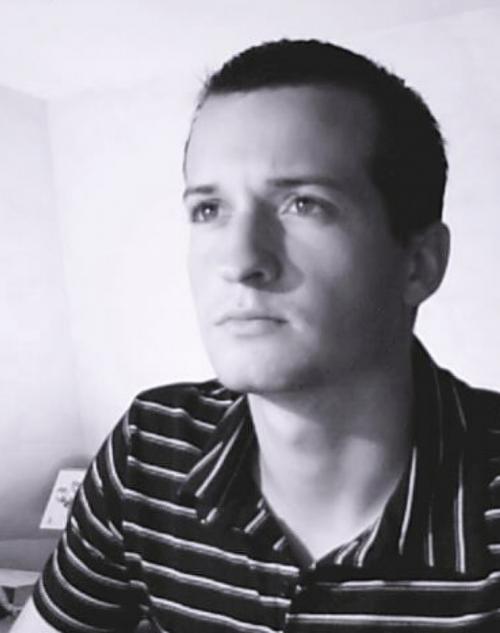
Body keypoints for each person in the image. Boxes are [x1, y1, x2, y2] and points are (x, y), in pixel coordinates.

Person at [12, 39, 500, 633]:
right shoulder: (150, 452)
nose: (240, 260)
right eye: (209, 210)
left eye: (304, 204)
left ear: (418, 264)